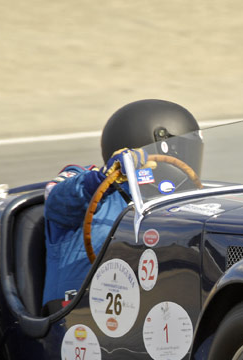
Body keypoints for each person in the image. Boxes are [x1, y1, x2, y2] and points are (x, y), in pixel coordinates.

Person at [41, 99, 201, 309]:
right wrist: (100, 179)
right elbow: (56, 199)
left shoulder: (179, 199)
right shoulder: (85, 180)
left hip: (147, 309)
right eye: (182, 151)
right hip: (79, 312)